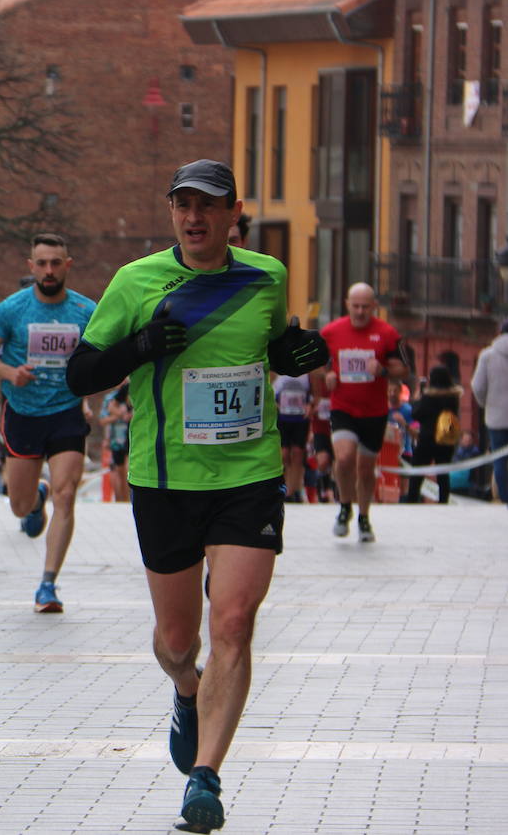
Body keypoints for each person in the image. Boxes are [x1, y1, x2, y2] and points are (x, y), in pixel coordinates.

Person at [66, 159, 327, 834]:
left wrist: (296, 353)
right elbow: (80, 374)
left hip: (248, 476)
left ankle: (206, 779)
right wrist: (143, 345)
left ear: (233, 212)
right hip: (165, 479)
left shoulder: (265, 276)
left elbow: (269, 347)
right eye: (183, 205)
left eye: (208, 206)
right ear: (171, 212)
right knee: (178, 641)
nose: (194, 217)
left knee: (233, 623)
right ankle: (186, 687)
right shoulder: (136, 282)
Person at [0, 233, 96, 613]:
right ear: (31, 267)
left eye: (55, 263)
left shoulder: (85, 310)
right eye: (42, 264)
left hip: (66, 412)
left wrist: (88, 395)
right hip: (23, 414)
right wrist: (11, 373)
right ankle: (35, 501)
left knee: (68, 494)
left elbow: (99, 361)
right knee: (18, 505)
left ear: (68, 265)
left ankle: (48, 584)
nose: (49, 271)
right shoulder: (11, 310)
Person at [320, 283, 408, 542]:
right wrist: (328, 375)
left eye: (365, 307)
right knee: (345, 458)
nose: (360, 312)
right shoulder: (331, 332)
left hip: (374, 411)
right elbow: (315, 363)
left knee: (366, 468)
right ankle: (345, 506)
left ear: (374, 307)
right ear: (347, 304)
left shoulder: (388, 333)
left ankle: (364, 517)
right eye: (355, 306)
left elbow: (404, 369)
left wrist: (382, 370)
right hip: (343, 407)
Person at [404, 366, 462, 504]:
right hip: (445, 439)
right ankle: (443, 500)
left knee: (418, 470)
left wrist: (418, 398)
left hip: (427, 438)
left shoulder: (428, 397)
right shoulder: (453, 398)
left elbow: (416, 414)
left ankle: (412, 499)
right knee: (443, 471)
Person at [471, 319, 508, 506]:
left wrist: (486, 403)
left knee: (500, 460)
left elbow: (477, 386)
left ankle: (504, 498)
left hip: (496, 418)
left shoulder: (488, 355)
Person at [272, 372, 311, 503]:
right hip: (282, 417)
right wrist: (274, 404)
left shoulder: (308, 372)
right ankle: (283, 487)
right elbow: (268, 387)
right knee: (284, 454)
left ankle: (293, 491)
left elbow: (316, 394)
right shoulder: (276, 370)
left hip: (300, 418)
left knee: (298, 453)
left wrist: (310, 405)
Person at [100, 381, 132, 503]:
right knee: (117, 471)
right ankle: (121, 501)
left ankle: (127, 499)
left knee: (127, 469)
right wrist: (120, 416)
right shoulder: (111, 398)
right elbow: (103, 420)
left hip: (130, 438)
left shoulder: (132, 391)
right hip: (116, 440)